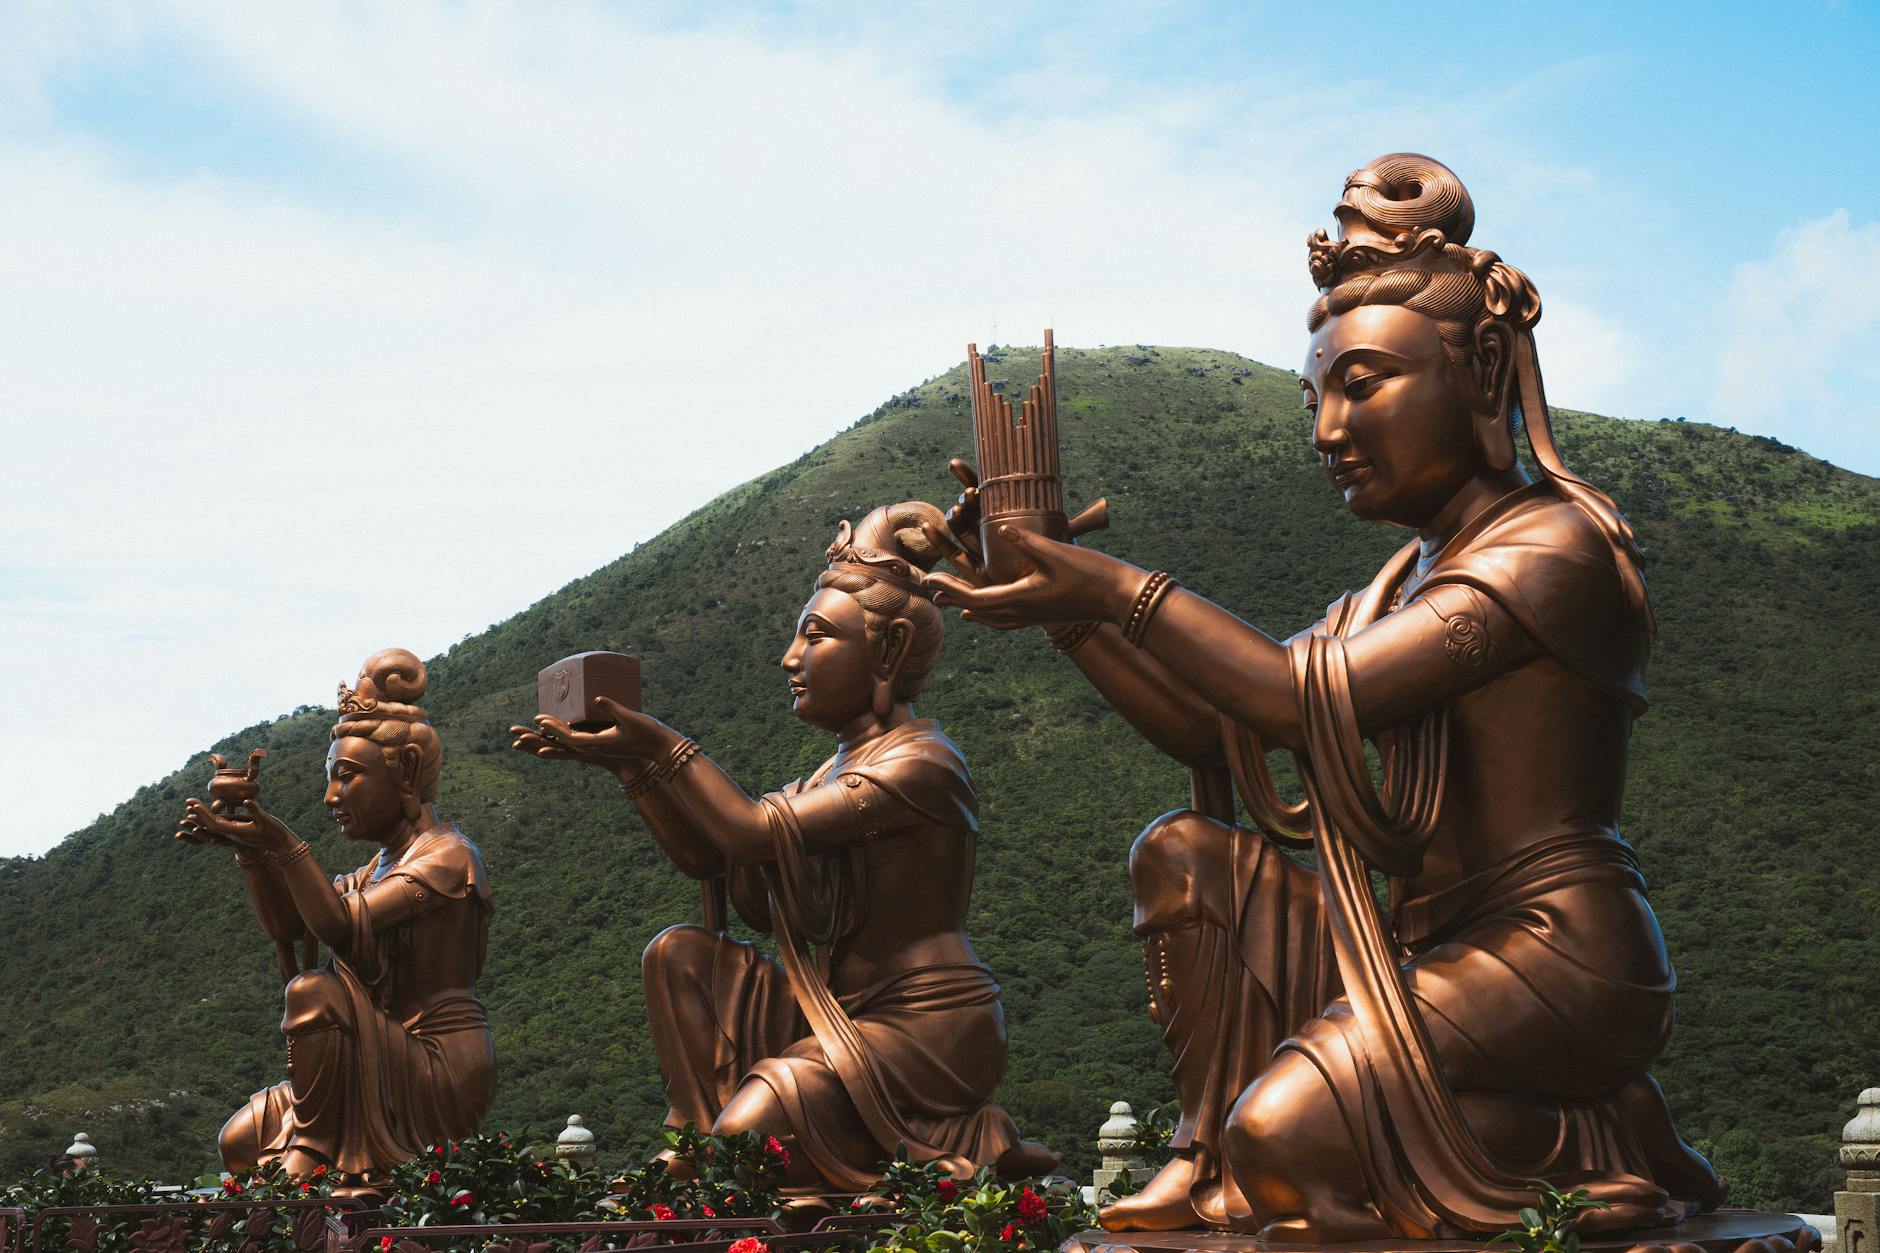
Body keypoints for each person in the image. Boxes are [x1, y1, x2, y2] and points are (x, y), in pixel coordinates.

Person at [922, 154, 1724, 1240]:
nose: (1326, 432)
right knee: (1181, 851)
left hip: (1551, 953)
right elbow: (1216, 719)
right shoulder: (1396, 583)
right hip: (1410, 948)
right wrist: (1064, 610)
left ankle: (1581, 1139)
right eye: (1314, 399)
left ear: (1482, 367)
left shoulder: (1551, 548)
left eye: (1360, 384)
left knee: (1289, 1148)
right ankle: (1208, 1147)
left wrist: (1119, 584)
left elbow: (1304, 699)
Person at [510, 503, 1053, 1194]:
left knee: (747, 1145)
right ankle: (693, 1136)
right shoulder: (821, 781)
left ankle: (732, 1151)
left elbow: (747, 830)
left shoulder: (921, 764)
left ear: (886, 650)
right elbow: (712, 857)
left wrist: (662, 744)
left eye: (816, 636)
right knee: (678, 953)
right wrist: (631, 769)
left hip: (927, 1028)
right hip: (831, 1011)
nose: (789, 658)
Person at [177, 649, 493, 1190]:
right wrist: (250, 851)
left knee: (314, 991)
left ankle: (313, 1152)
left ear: (408, 771)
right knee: (239, 1143)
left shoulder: (448, 857)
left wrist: (282, 840)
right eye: (331, 779)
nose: (331, 797)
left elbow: (339, 927)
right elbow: (289, 927)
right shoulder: (374, 870)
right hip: (368, 1056)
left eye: (346, 777)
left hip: (435, 1064)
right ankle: (313, 1150)